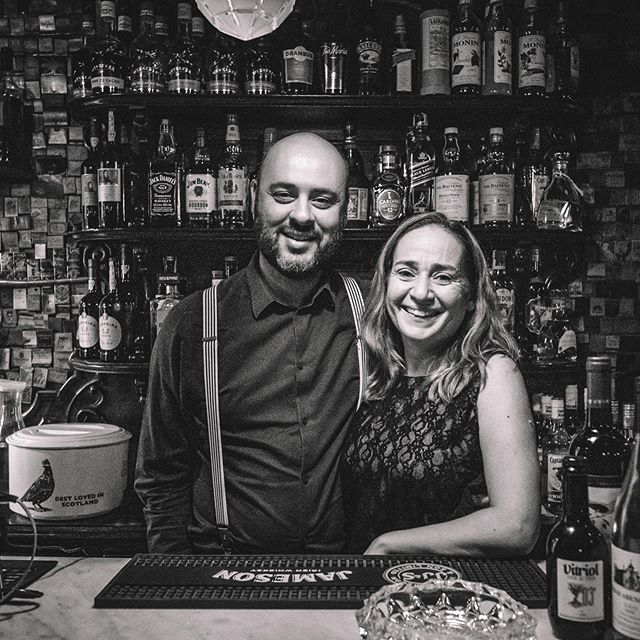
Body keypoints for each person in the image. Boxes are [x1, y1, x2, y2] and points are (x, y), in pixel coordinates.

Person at [135, 132, 366, 554]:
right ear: (252, 198)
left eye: (322, 199)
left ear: (345, 210)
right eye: (283, 194)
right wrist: (175, 584)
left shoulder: (369, 315)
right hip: (223, 573)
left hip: (348, 574)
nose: (301, 215)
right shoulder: (190, 323)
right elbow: (161, 477)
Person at [342, 212, 540, 556]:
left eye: (443, 277)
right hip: (370, 592)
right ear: (386, 283)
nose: (420, 293)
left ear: (471, 298)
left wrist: (390, 544)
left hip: (449, 595)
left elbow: (517, 525)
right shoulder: (378, 374)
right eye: (405, 272)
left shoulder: (493, 375)